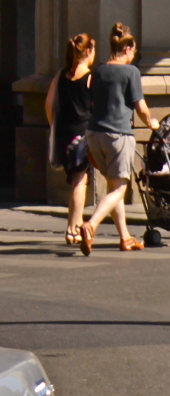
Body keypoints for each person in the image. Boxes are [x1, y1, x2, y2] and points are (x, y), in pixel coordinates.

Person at [80, 23, 160, 254]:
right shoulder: (131, 72)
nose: (133, 56)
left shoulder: (99, 71)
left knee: (115, 187)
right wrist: (151, 122)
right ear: (127, 49)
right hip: (118, 134)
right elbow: (141, 107)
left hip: (94, 134)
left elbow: (92, 102)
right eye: (133, 52)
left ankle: (125, 237)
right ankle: (91, 225)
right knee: (119, 189)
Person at [43, 33, 96, 244]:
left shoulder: (61, 75)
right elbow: (97, 107)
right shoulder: (90, 77)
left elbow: (48, 104)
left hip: (64, 134)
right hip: (82, 135)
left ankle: (71, 225)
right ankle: (74, 229)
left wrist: (53, 125)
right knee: (79, 181)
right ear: (89, 52)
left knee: (75, 179)